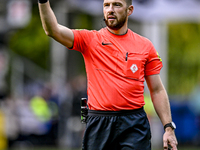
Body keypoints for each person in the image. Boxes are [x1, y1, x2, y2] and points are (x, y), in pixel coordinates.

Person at [38, 0, 178, 149]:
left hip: (134, 124)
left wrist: (168, 128)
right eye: (106, 5)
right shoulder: (90, 40)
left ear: (129, 10)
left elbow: (157, 90)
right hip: (99, 123)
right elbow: (52, 30)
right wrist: (43, 2)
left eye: (117, 5)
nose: (110, 9)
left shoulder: (145, 46)